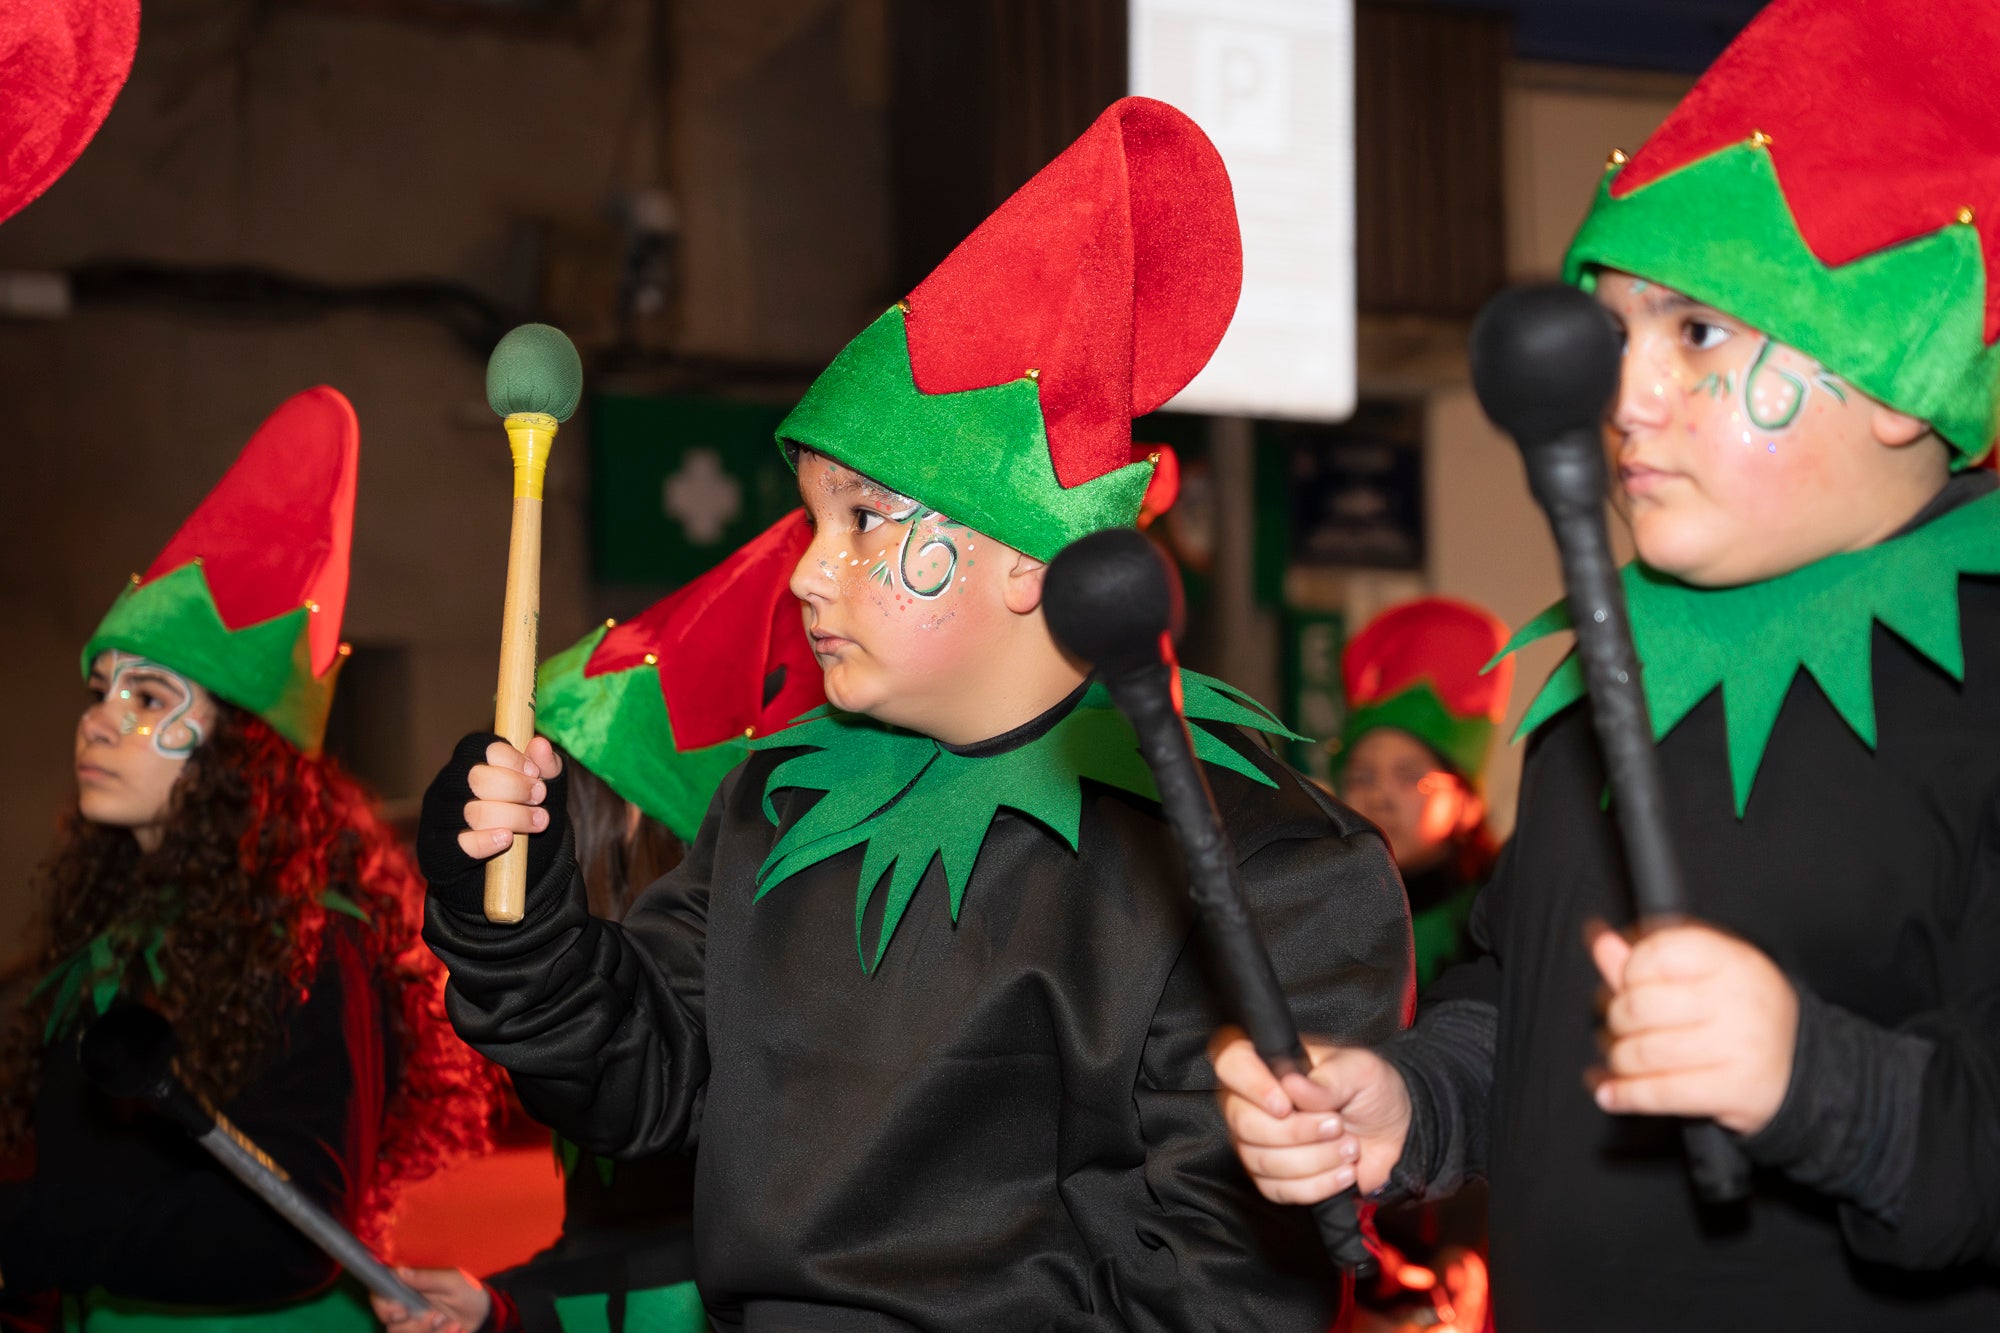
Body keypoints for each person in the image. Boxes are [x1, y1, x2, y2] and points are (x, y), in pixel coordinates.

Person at [415, 97, 1411, 1331]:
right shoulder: (775, 801)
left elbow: (1226, 1291)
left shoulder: (1255, 856)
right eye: (812, 518)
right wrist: (510, 903)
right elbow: (642, 1079)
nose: (802, 573)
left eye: (863, 521)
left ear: (1026, 555)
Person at [1215, 2, 2000, 1327]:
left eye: (1695, 331)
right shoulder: (1613, 665)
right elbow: (1523, 1001)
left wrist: (1811, 1080)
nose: (1624, 395)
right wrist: (1416, 1102)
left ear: (1893, 373)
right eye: (1615, 333)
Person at [0, 388, 497, 1330]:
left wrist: (29, 1232)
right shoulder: (107, 933)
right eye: (102, 689)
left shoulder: (306, 943)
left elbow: (284, 1240)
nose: (101, 718)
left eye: (150, 697)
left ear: (237, 748)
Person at [375, 510, 821, 1333]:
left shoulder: (724, 1003)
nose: (524, 802)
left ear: (625, 821)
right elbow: (602, 1248)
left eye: (558, 783)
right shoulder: (602, 1022)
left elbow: (675, 1272)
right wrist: (501, 1308)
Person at [1334, 597, 1512, 992]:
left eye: (1409, 776)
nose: (1379, 796)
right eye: (1362, 776)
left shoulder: (1504, 923)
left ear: (1467, 804)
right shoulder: (1316, 908)